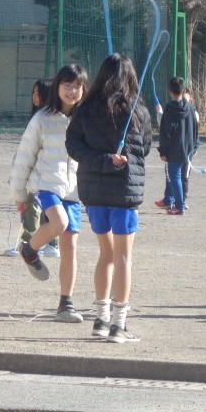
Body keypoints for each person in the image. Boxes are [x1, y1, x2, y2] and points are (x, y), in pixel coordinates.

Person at [66, 53, 153, 343]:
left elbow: (74, 146)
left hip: (94, 194)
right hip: (124, 193)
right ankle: (118, 325)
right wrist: (113, 160)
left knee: (106, 254)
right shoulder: (138, 112)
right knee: (123, 257)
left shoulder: (84, 110)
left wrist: (101, 160)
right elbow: (145, 148)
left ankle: (101, 320)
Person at [9, 64, 88, 323]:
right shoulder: (42, 118)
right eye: (67, 85)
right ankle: (29, 250)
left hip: (73, 191)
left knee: (70, 247)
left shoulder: (86, 118)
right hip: (46, 185)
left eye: (78, 86)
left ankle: (66, 305)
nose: (72, 91)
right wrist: (19, 194)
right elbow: (24, 156)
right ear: (57, 87)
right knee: (59, 222)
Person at [18, 78, 60, 258]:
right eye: (33, 93)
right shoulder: (35, 116)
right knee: (38, 206)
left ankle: (32, 241)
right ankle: (46, 242)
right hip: (35, 170)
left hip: (44, 171)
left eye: (38, 93)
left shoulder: (50, 118)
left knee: (36, 205)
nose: (34, 97)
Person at [156, 77, 199, 216]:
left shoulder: (169, 109)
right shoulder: (190, 108)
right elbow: (195, 128)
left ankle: (179, 206)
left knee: (174, 176)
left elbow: (165, 132)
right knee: (178, 176)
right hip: (187, 149)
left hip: (174, 150)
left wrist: (162, 151)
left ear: (170, 92)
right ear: (183, 91)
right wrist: (195, 146)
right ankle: (170, 201)